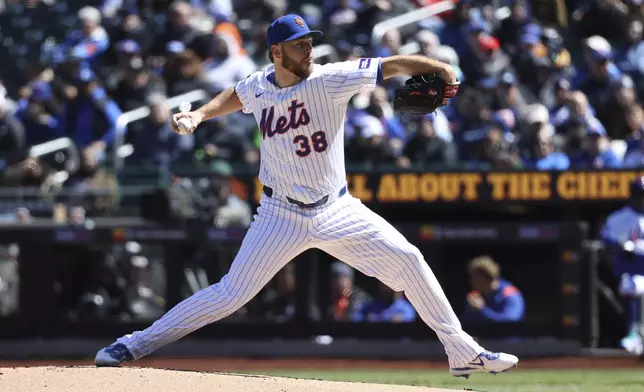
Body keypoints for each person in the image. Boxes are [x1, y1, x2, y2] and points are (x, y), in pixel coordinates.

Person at [95, 14, 519, 378]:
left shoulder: (329, 78)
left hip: (337, 208)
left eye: (309, 42)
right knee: (229, 295)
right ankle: (134, 344)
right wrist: (199, 115)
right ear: (275, 53)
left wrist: (438, 66)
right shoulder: (258, 85)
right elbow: (235, 96)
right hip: (280, 213)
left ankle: (464, 352)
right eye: (299, 45)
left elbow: (390, 65)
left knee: (409, 260)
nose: (308, 50)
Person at [600, 177, 644, 356]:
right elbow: (607, 240)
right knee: (630, 283)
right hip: (635, 269)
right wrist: (621, 246)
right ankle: (633, 333)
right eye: (640, 195)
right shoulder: (620, 217)